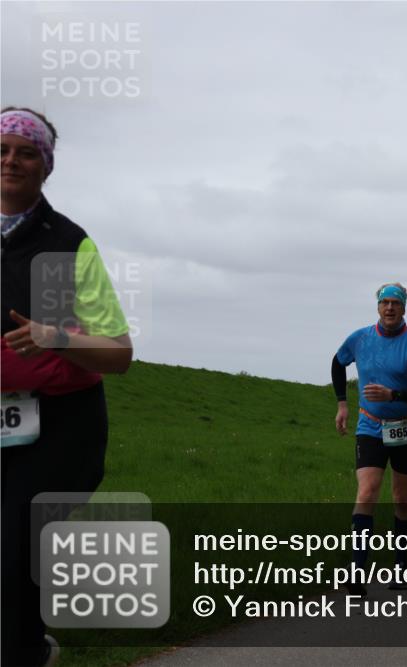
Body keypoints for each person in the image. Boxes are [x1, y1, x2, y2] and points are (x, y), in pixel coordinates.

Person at [2, 107, 133, 667]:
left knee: (12, 548)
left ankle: (24, 653)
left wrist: (54, 336)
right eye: (2, 149)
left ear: (44, 166)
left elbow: (119, 353)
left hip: (60, 427)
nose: (10, 160)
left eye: (25, 152)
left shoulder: (63, 245)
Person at [332, 282, 407, 594]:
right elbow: (338, 363)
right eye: (384, 303)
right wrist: (342, 403)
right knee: (367, 493)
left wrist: (394, 393)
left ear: (404, 308)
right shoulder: (361, 338)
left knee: (402, 497)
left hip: (406, 425)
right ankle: (356, 572)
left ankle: (402, 566)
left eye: (396, 303)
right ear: (377, 307)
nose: (390, 308)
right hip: (370, 425)